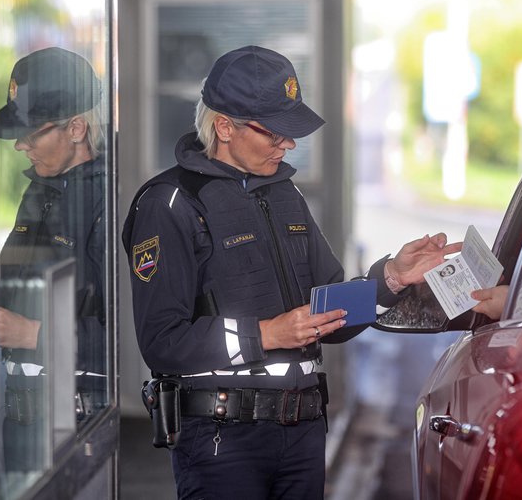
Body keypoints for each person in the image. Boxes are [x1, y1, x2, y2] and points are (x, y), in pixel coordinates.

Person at [121, 45, 461, 499]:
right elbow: (162, 341)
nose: (289, 143)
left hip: (302, 432)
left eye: (291, 131)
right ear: (224, 126)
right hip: (221, 442)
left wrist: (391, 279)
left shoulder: (286, 195)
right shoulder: (170, 203)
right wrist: (265, 334)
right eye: (274, 132)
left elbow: (327, 313)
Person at [0, 47, 106, 474]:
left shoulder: (109, 202)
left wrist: (34, 334)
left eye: (32, 134)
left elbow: (134, 335)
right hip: (22, 418)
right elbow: (13, 282)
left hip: (78, 425)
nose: (21, 146)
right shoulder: (39, 191)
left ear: (76, 128)